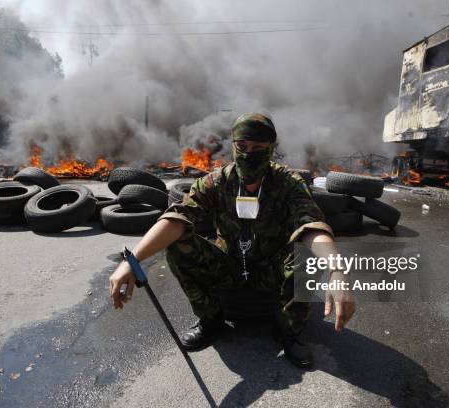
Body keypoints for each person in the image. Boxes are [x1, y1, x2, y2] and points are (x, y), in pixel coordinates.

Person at [109, 113, 355, 368]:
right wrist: (132, 261)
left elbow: (310, 224)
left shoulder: (287, 182)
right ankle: (211, 319)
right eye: (242, 146)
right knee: (178, 243)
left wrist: (338, 270)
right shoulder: (217, 181)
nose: (249, 154)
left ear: (271, 149)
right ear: (234, 145)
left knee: (304, 251)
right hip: (229, 267)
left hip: (273, 270)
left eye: (259, 148)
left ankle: (288, 330)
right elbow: (176, 217)